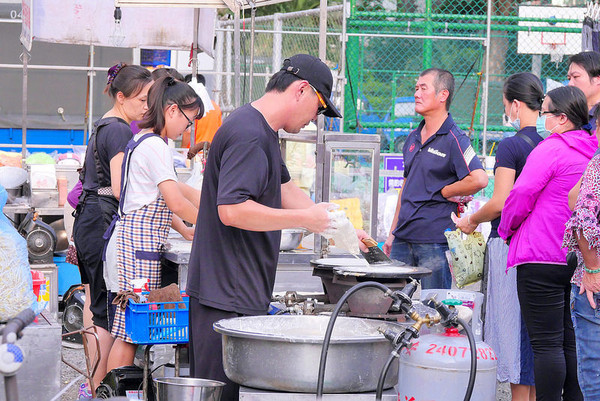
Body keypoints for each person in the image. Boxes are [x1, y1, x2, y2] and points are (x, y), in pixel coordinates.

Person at [185, 54, 368, 401]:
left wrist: (335, 223)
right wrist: (305, 221)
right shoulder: (249, 133)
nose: (315, 119)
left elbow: (283, 189)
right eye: (318, 109)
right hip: (226, 294)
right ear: (301, 90)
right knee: (219, 395)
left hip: (237, 290)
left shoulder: (260, 129)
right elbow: (232, 210)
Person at [498, 86, 598, 401]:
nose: (542, 119)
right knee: (572, 343)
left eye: (545, 113)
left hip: (540, 255)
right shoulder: (592, 151)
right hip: (579, 257)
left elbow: (521, 193)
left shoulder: (551, 148)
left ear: (562, 118)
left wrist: (506, 227)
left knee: (545, 344)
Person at [455, 72, 543, 401]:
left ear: (516, 105)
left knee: (510, 332)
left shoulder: (511, 146)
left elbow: (501, 202)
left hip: (510, 246)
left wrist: (471, 220)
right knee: (535, 334)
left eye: (506, 104)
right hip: (544, 248)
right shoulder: (550, 145)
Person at [105, 76, 202, 371]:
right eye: (188, 122)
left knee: (128, 331)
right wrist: (217, 224)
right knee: (129, 334)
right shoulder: (157, 147)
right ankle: (116, 392)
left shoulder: (143, 140)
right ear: (172, 111)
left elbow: (155, 196)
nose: (188, 129)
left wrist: (185, 227)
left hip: (132, 244)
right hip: (135, 249)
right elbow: (175, 201)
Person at [72, 63, 152, 395]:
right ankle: (103, 388)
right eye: (143, 99)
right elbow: (121, 189)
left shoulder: (103, 125)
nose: (147, 107)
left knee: (95, 306)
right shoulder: (119, 129)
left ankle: (94, 387)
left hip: (89, 218)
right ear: (122, 96)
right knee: (105, 312)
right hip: (101, 218)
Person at [382, 68, 488, 289]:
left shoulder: (455, 138)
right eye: (416, 88)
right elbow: (406, 186)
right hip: (403, 237)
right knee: (392, 305)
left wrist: (447, 191)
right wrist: (392, 233)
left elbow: (479, 179)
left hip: (434, 241)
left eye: (423, 88)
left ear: (443, 95)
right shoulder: (412, 138)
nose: (416, 94)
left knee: (434, 309)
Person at [563, 106, 600, 400]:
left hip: (595, 285)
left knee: (595, 377)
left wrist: (592, 270)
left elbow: (582, 218)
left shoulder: (598, 165)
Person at [568, 51, 600, 131]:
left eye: (575, 77)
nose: (570, 84)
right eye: (569, 78)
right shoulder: (570, 112)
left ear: (597, 79)